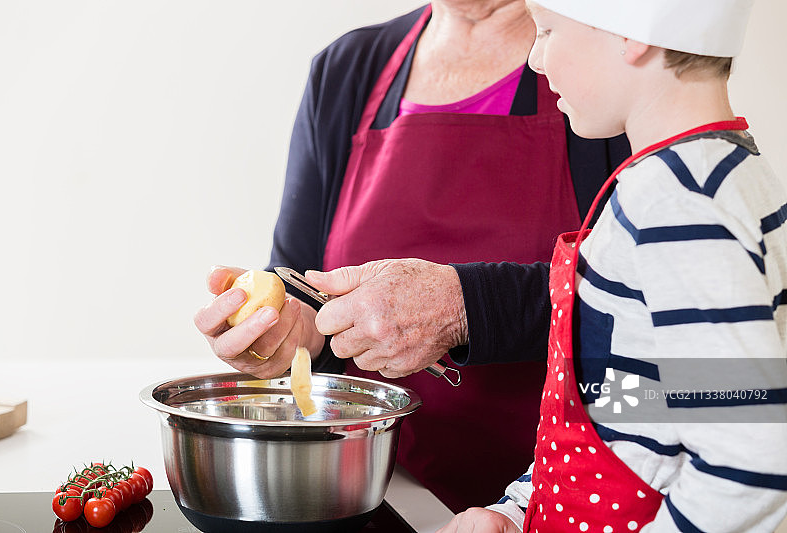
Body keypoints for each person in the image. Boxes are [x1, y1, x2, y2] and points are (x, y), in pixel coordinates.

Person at [193, 0, 629, 513]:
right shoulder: (347, 69)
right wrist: (286, 335)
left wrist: (466, 307)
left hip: (562, 493)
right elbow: (300, 281)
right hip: (379, 491)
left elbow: (660, 313)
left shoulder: (603, 61)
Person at [434, 0, 787, 531]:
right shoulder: (714, 175)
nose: (535, 59)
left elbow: (751, 459)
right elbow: (644, 403)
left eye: (547, 30)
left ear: (632, 34)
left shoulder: (678, 205)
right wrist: (521, 510)